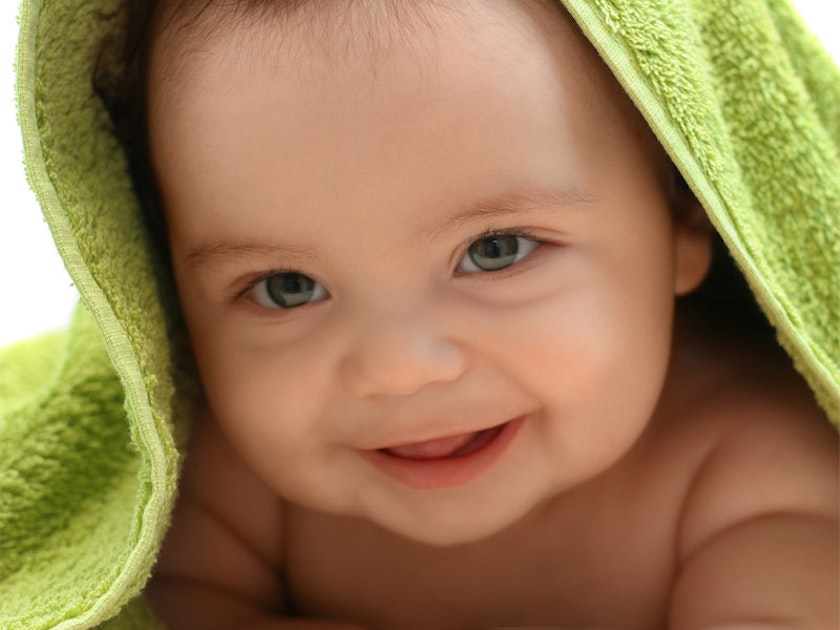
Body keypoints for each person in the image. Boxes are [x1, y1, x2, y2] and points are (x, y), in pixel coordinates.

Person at [4, 0, 838, 628]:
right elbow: (169, 606)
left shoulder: (752, 477)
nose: (398, 370)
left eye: (496, 250)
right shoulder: (224, 483)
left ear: (687, 212)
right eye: (287, 287)